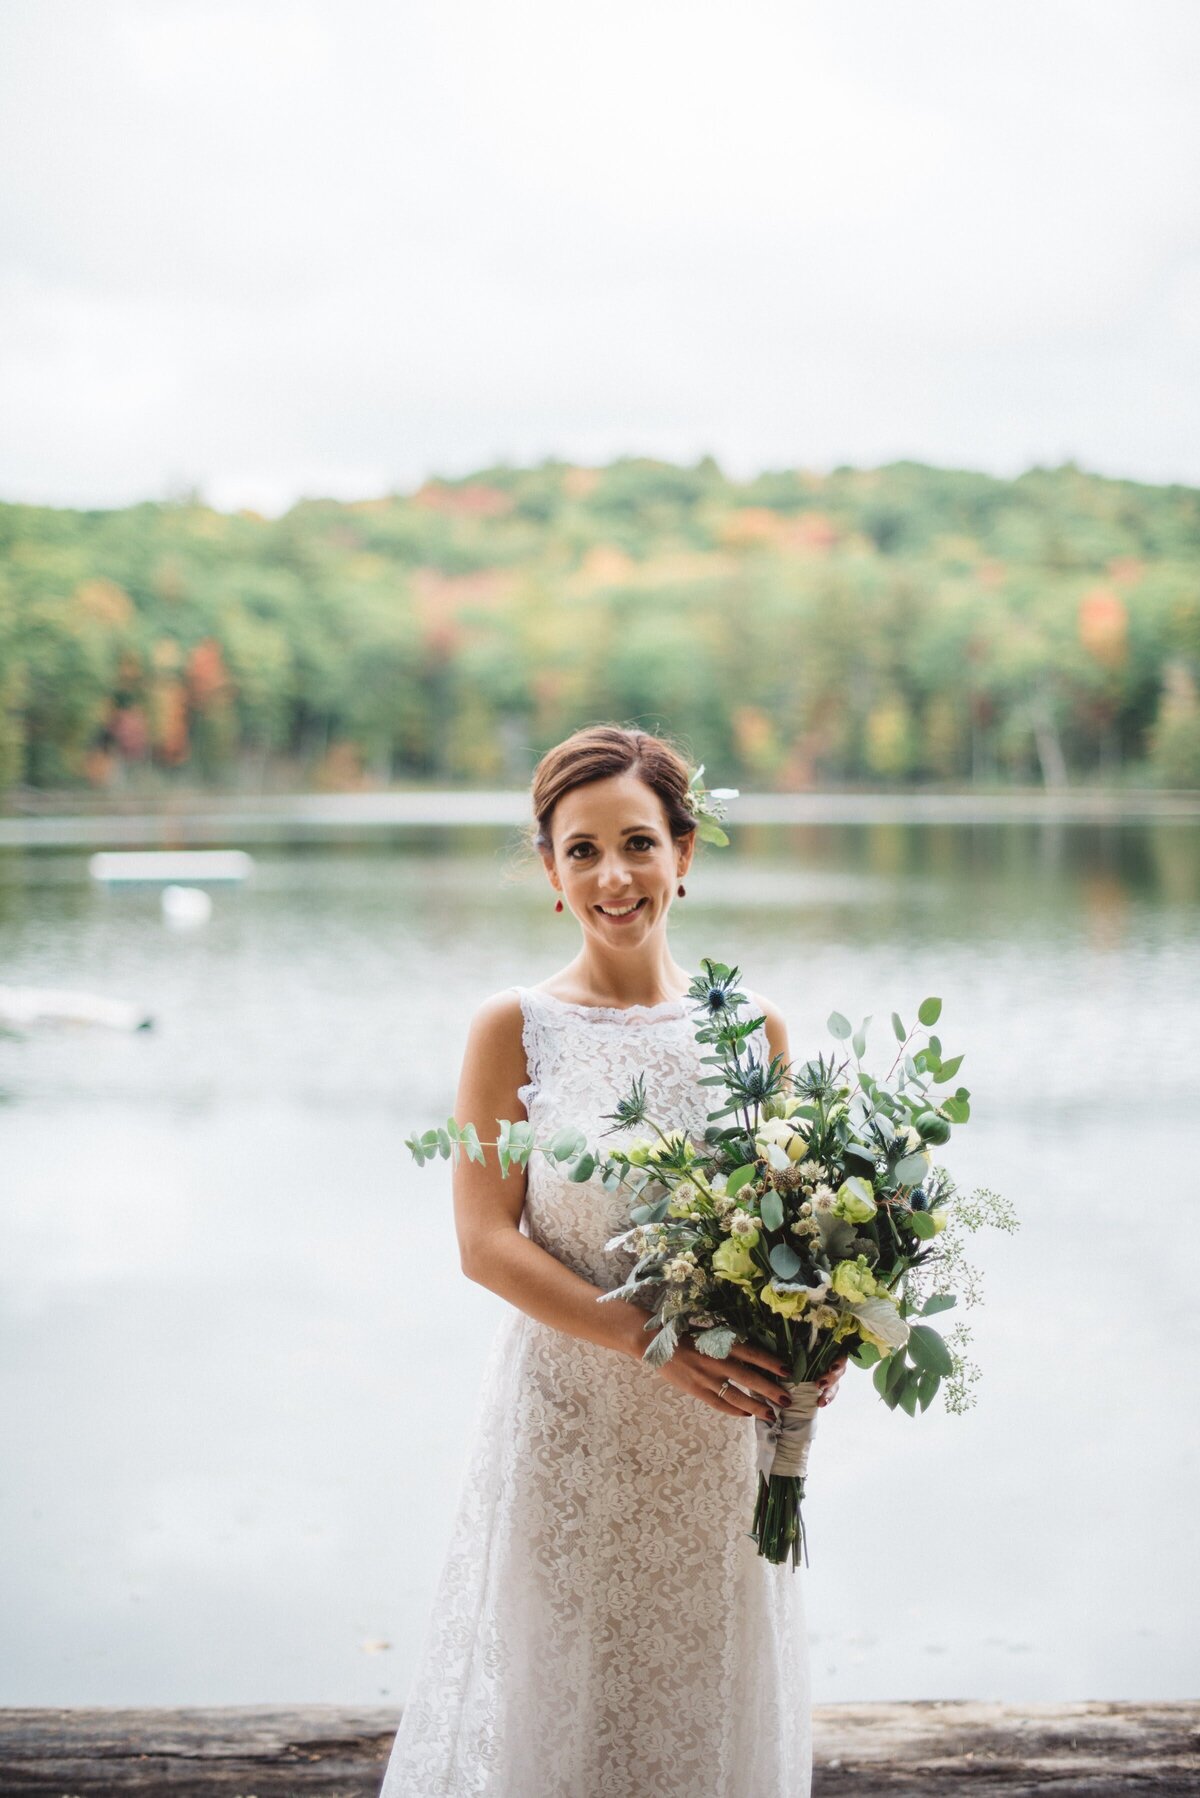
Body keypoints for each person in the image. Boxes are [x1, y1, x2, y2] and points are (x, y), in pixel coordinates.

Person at [379, 724, 846, 1798]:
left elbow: (796, 1226)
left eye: (637, 841)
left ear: (685, 850)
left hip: (721, 1436)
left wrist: (825, 1334)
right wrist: (652, 1342)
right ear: (549, 871)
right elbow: (483, 1241)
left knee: (706, 1709)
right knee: (568, 1719)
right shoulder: (514, 1028)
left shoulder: (752, 1030)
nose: (613, 874)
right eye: (580, 850)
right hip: (570, 1433)